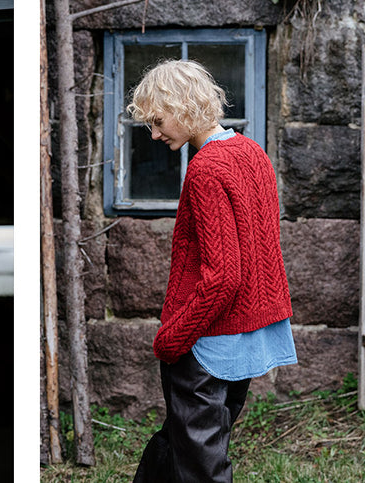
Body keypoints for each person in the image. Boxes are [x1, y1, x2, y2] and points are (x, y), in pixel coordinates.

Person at [127, 59, 296, 482]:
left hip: (208, 339)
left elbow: (224, 274)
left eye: (159, 120)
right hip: (246, 334)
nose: (154, 133)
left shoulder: (205, 170)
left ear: (183, 106)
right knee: (186, 442)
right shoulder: (251, 153)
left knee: (202, 464)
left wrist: (173, 336)